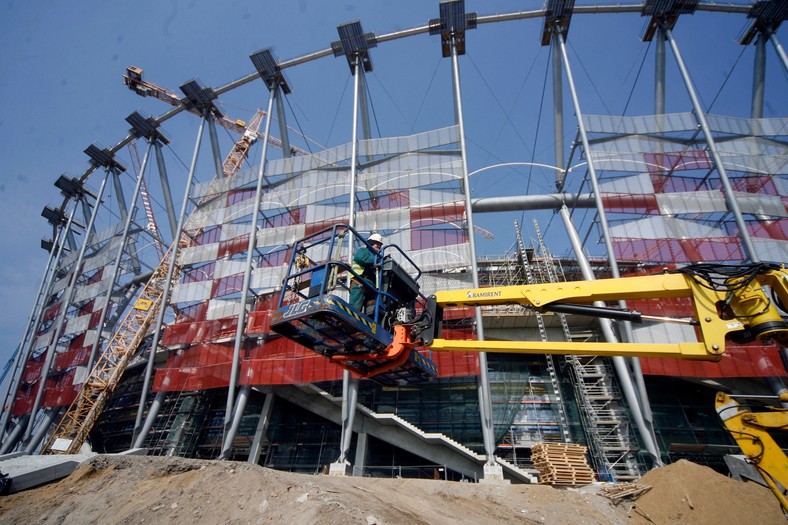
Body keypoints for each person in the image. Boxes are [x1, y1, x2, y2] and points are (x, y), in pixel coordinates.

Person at [350, 233, 383, 312]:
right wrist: (377, 260)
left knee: (372, 303)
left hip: (371, 284)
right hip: (359, 280)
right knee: (356, 301)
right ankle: (352, 315)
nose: (378, 245)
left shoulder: (378, 258)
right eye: (376, 243)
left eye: (379, 244)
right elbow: (362, 259)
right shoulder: (363, 251)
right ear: (370, 243)